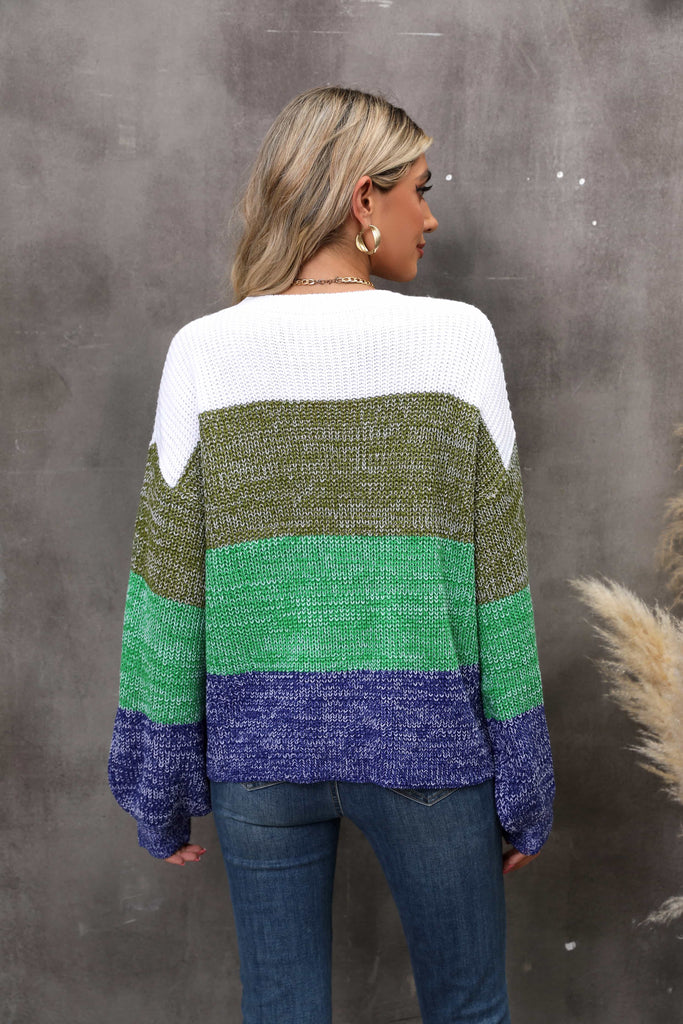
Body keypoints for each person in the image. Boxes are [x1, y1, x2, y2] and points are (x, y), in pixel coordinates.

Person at [108, 85, 555, 1024]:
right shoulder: (457, 340)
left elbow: (166, 590)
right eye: (419, 190)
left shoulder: (204, 352)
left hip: (258, 755)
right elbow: (498, 587)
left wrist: (160, 781)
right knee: (469, 1011)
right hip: (427, 744)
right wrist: (522, 778)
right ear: (363, 200)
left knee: (281, 1011)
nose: (430, 218)